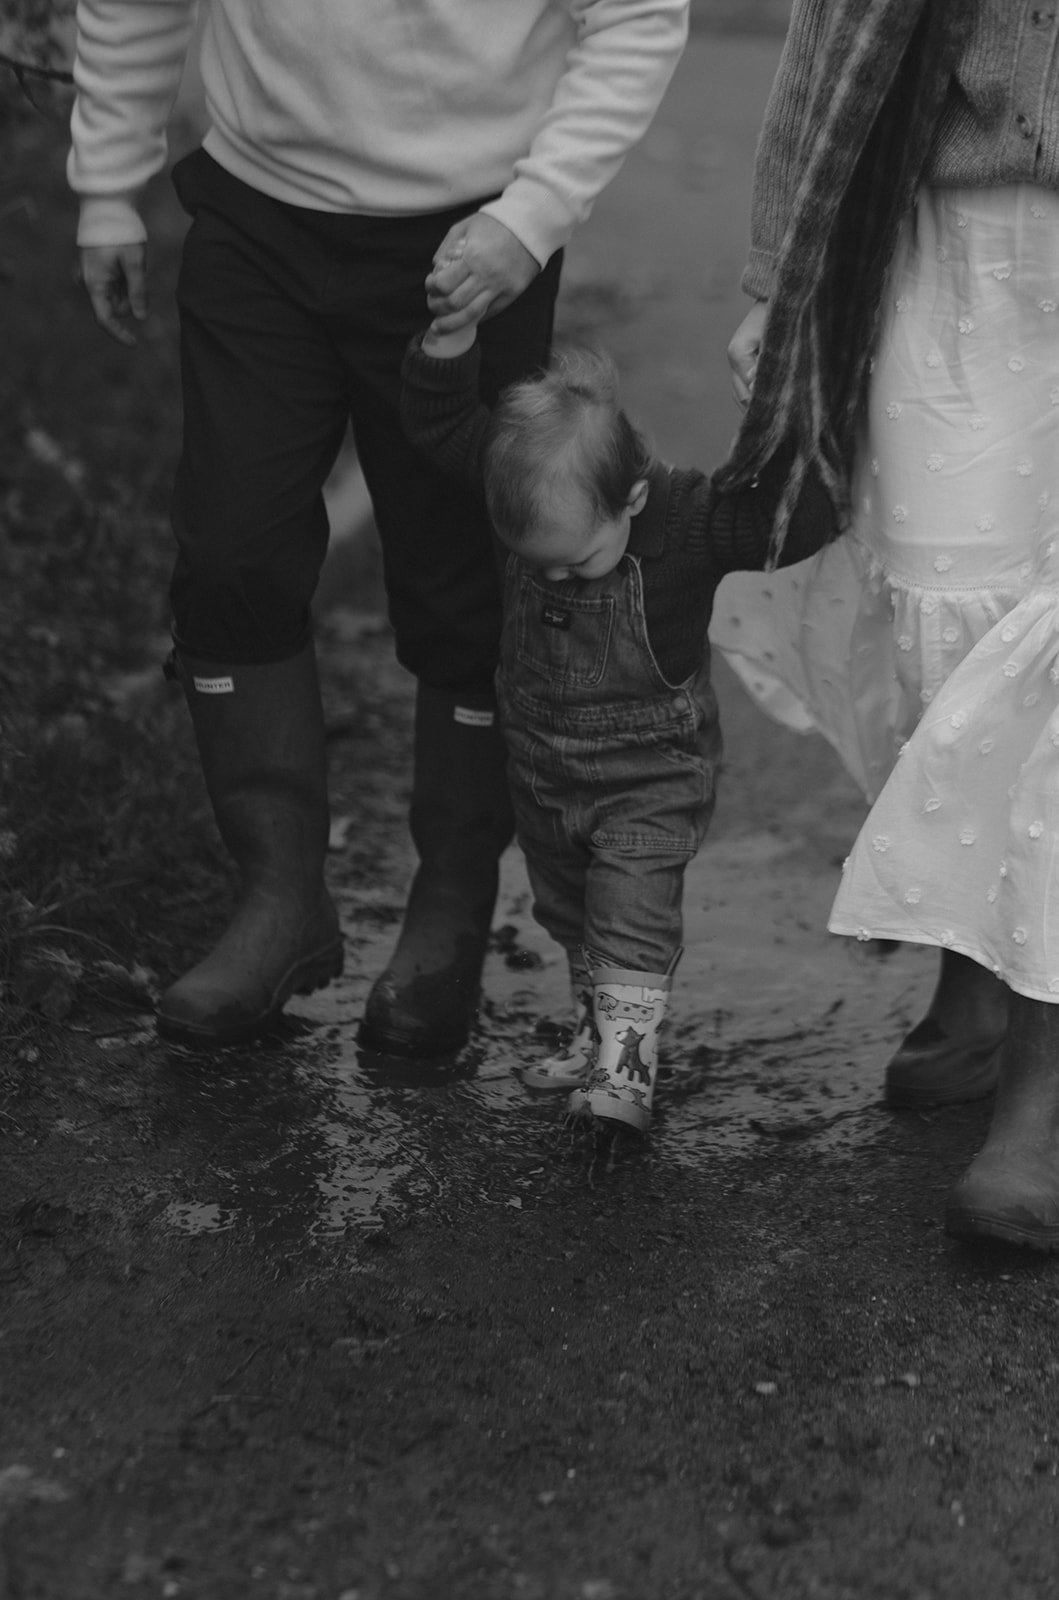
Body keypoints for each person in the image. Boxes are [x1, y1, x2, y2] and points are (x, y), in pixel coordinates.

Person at [66, 0, 691, 1055]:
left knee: (463, 587)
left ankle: (449, 904)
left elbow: (637, 15)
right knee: (230, 554)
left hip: (472, 237)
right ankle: (279, 901)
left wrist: (530, 215)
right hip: (259, 216)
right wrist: (105, 188)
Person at [715, 0, 1059, 1247]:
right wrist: (777, 276)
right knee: (949, 629)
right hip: (947, 241)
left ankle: (1043, 1079)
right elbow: (835, 31)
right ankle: (975, 966)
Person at [398, 313, 828, 1134]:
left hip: (648, 777)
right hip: (540, 772)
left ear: (630, 498)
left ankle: (624, 1072)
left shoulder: (691, 522)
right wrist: (445, 345)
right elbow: (443, 427)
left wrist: (784, 410)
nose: (555, 575)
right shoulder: (529, 488)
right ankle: (594, 1036)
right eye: (537, 563)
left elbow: (792, 521)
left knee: (629, 914)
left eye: (576, 560)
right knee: (571, 914)